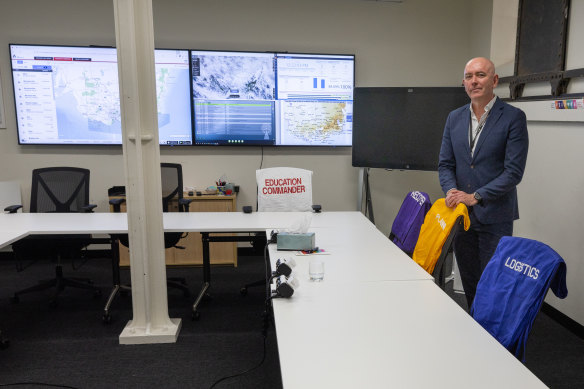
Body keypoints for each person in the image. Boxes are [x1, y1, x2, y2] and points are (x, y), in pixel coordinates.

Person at [438, 57, 529, 309]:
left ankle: (494, 338)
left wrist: (475, 196)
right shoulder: (454, 118)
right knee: (469, 279)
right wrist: (451, 190)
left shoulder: (513, 118)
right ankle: (475, 328)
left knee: (493, 283)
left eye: (480, 75)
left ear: (494, 80)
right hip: (461, 215)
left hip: (495, 216)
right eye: (468, 76)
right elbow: (446, 164)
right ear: (464, 83)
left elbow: (513, 173)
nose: (474, 81)